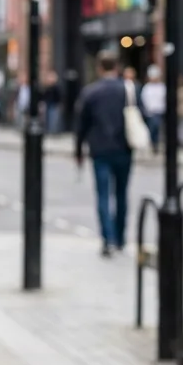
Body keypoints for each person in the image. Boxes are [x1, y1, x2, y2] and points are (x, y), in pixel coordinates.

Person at [74, 50, 133, 257]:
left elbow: (81, 125)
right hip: (124, 149)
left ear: (99, 68)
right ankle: (120, 239)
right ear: (116, 67)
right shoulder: (127, 91)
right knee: (122, 195)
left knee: (103, 196)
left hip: (100, 150)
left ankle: (107, 239)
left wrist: (78, 150)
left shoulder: (91, 92)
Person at [140, 65, 167, 154]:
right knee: (152, 129)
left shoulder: (162, 87)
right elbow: (144, 99)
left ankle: (156, 144)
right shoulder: (147, 88)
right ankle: (153, 144)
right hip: (150, 112)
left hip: (159, 111)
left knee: (158, 128)